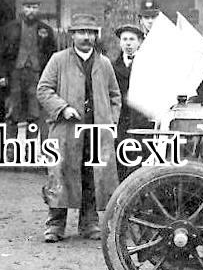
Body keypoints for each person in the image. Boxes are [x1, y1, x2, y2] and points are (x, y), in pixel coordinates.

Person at [36, 13, 122, 242]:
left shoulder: (104, 64)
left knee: (92, 176)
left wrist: (110, 121)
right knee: (60, 174)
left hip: (96, 131)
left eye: (90, 33)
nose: (86, 37)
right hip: (66, 130)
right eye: (81, 32)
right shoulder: (58, 60)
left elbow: (115, 95)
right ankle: (55, 224)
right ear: (72, 35)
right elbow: (44, 89)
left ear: (96, 36)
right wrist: (62, 108)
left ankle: (90, 223)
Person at [0, 0, 57, 140]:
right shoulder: (10, 28)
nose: (31, 11)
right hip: (15, 74)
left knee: (34, 113)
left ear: (38, 9)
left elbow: (52, 56)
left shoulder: (46, 30)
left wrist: (50, 77)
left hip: (36, 76)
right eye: (28, 7)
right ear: (23, 8)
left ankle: (31, 149)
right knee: (12, 112)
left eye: (34, 7)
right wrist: (1, 75)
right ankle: (11, 149)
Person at [111, 23, 151, 181]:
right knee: (122, 159)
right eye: (124, 39)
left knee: (141, 162)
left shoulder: (148, 65)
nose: (128, 43)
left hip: (142, 121)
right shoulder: (113, 67)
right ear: (120, 42)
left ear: (140, 42)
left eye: (132, 39)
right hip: (122, 122)